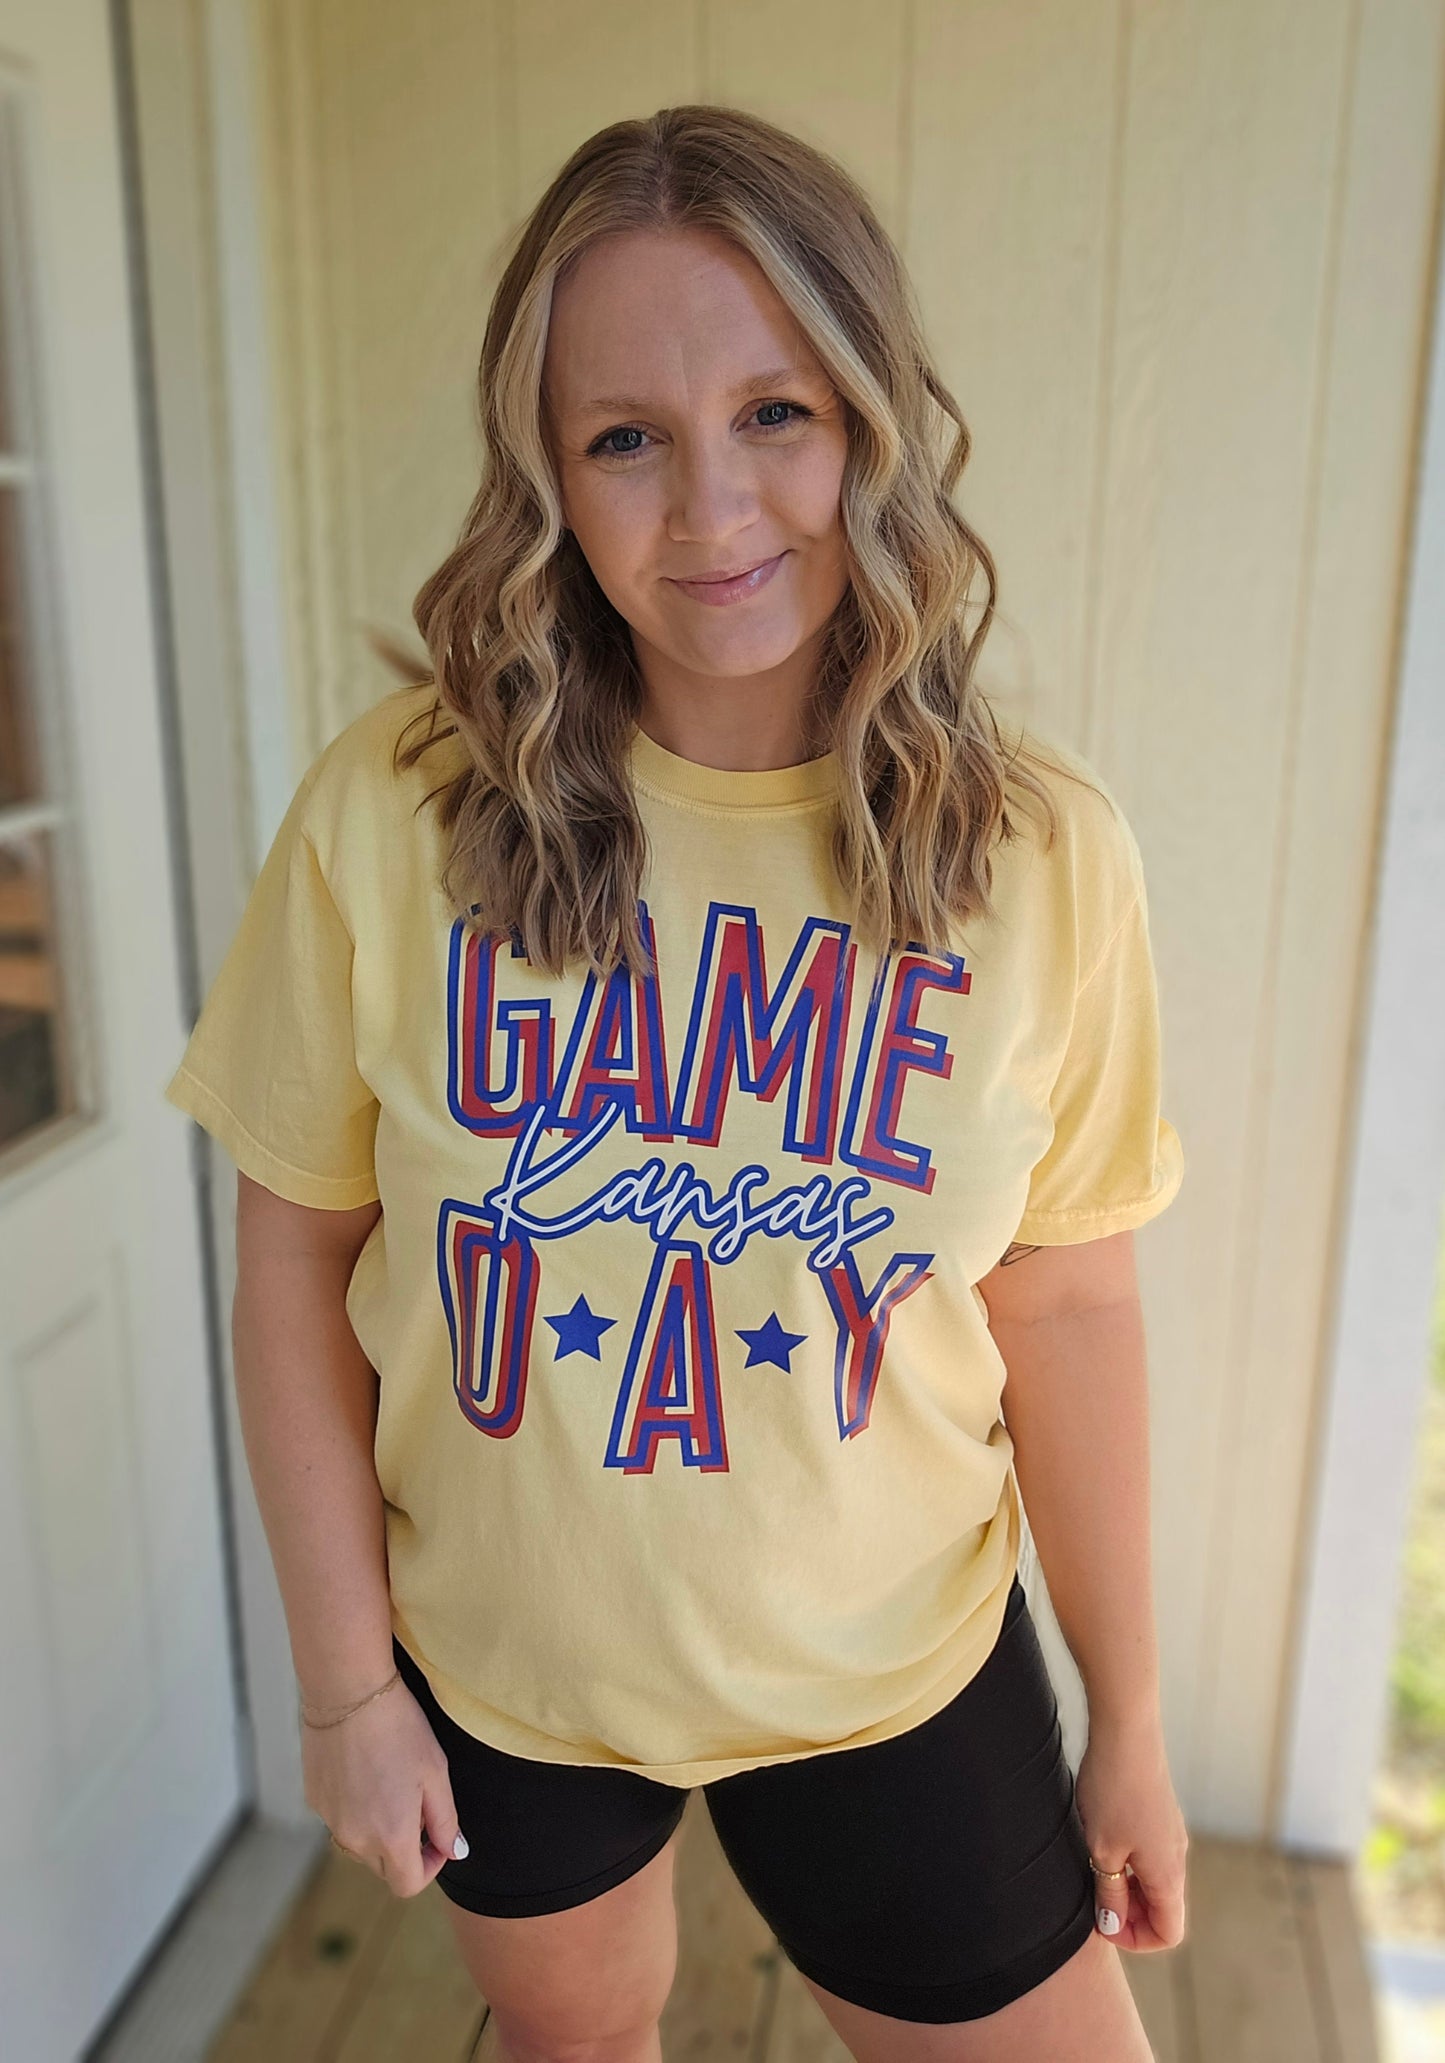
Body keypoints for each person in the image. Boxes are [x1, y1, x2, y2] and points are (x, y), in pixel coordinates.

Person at [165, 101, 1188, 2062]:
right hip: (500, 1675)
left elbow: (1067, 1299)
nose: (712, 505)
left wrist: (1133, 1724)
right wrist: (345, 1688)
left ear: (871, 421)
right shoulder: (395, 815)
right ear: (546, 474)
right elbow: (295, 1257)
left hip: (896, 1672)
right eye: (625, 436)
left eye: (777, 414)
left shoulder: (1044, 855)